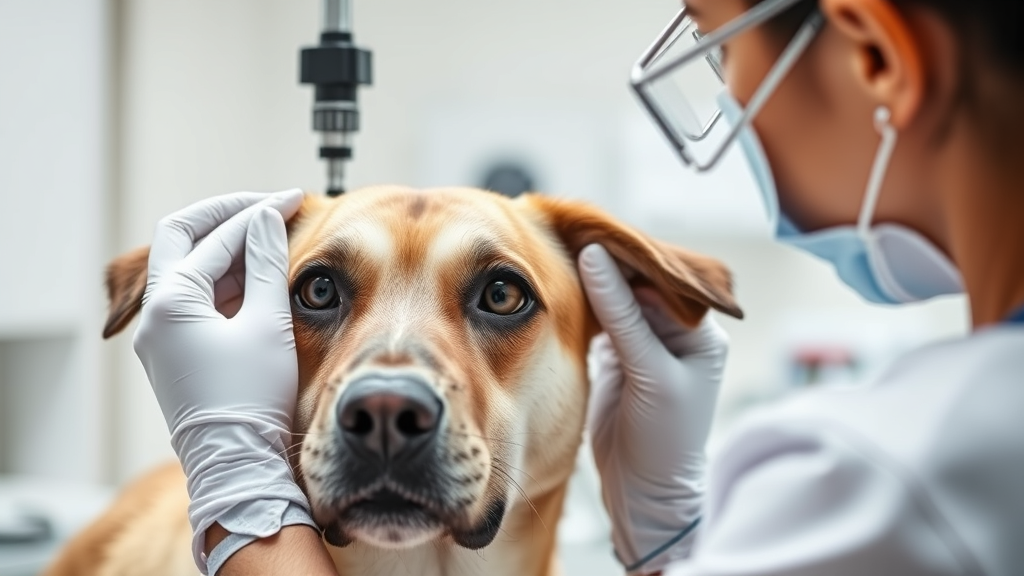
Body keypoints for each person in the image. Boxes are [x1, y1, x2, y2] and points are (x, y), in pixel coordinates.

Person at [132, 0, 1024, 574]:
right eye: (321, 293)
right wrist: (673, 550)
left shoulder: (885, 485)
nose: (390, 392)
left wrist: (241, 501)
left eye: (720, 58)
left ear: (876, 55)